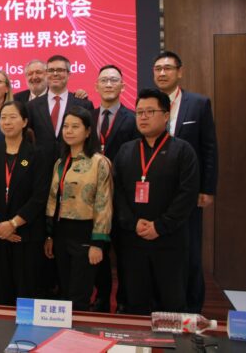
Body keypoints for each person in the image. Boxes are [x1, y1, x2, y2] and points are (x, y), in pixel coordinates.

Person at [113, 88, 199, 314]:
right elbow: (117, 192)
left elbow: (187, 194)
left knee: (172, 302)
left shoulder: (183, 151)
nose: (143, 117)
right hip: (133, 238)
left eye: (150, 112)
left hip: (169, 239)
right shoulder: (126, 151)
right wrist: (132, 222)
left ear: (166, 115)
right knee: (136, 302)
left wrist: (160, 226)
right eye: (139, 112)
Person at [153, 51, 218, 313]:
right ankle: (160, 305)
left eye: (168, 68)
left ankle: (192, 308)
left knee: (190, 250)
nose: (162, 73)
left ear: (180, 72)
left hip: (188, 191)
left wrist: (207, 189)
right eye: (157, 68)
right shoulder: (148, 103)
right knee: (161, 250)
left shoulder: (198, 104)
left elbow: (209, 148)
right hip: (157, 190)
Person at [0, 101, 49, 305]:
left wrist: (13, 224)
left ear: (24, 121)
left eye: (12, 117)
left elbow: (39, 197)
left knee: (26, 295)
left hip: (25, 236)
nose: (7, 122)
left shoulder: (37, 155)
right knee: (1, 295)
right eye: (3, 117)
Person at [44, 106, 113, 311]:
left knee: (79, 296)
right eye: (66, 126)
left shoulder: (99, 162)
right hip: (61, 233)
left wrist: (97, 243)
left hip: (85, 234)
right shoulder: (60, 162)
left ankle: (80, 332)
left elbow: (104, 204)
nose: (69, 131)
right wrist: (50, 235)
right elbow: (52, 200)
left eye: (75, 126)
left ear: (88, 131)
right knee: (64, 292)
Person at [91, 65, 139, 313]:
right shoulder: (87, 117)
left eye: (113, 80)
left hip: (122, 194)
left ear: (123, 86)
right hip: (93, 197)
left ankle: (123, 300)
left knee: (124, 252)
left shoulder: (133, 119)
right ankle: (101, 297)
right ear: (96, 86)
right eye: (104, 80)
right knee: (98, 249)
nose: (108, 84)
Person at [27, 54, 94, 167]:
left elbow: (90, 140)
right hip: (39, 168)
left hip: (75, 166)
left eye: (60, 70)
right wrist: (25, 164)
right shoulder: (32, 106)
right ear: (46, 74)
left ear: (69, 74)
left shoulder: (83, 105)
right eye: (51, 70)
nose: (55, 74)